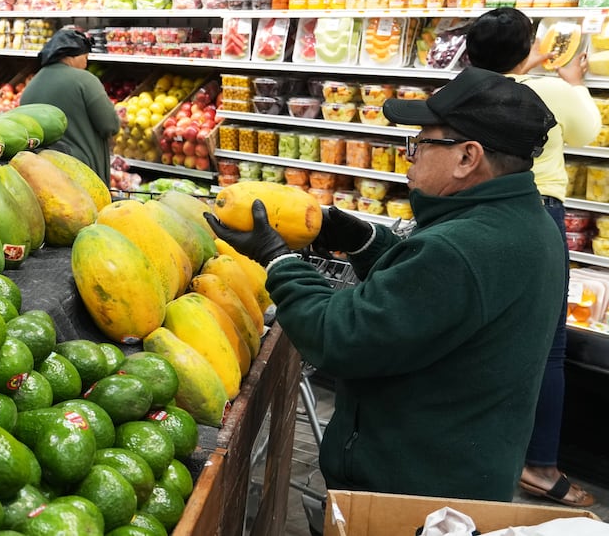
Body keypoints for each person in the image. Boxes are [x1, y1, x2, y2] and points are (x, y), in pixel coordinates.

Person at [209, 67, 564, 502]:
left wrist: (277, 259)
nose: (409, 155)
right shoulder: (528, 224)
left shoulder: (460, 249)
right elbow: (434, 305)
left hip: (409, 490)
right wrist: (365, 241)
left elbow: (338, 335)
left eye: (422, 142)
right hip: (464, 472)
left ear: (468, 157)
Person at [465, 7, 601, 507]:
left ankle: (480, 446)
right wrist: (570, 78)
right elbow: (587, 131)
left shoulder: (463, 88)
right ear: (529, 50)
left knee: (481, 333)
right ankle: (540, 465)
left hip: (473, 215)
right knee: (548, 346)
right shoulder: (548, 89)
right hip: (535, 212)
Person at [19, 28, 120, 184]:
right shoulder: (84, 80)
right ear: (72, 56)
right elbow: (110, 125)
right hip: (83, 174)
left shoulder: (30, 87)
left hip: (43, 176)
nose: (86, 63)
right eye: (85, 57)